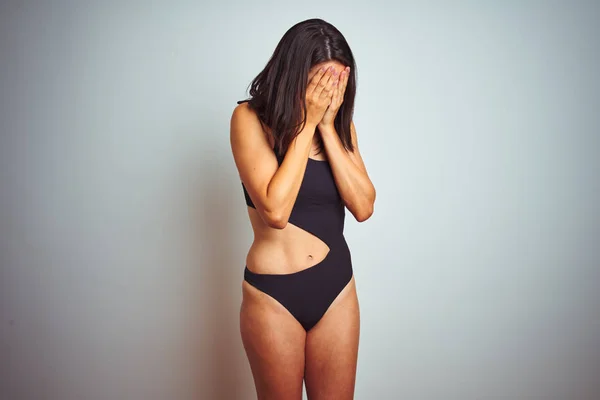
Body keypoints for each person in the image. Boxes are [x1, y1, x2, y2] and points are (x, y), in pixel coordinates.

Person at [229, 18, 376, 400]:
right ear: (294, 74)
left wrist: (327, 127)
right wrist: (307, 124)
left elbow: (363, 206)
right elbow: (275, 211)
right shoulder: (249, 120)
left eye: (337, 83)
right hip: (274, 295)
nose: (329, 93)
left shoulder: (340, 127)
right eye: (320, 83)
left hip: (337, 289)